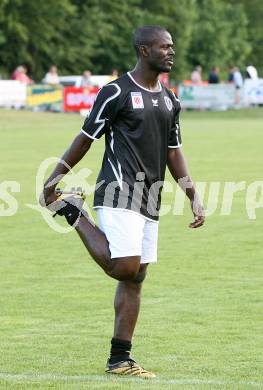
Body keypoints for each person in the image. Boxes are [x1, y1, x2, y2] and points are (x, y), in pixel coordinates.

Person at [41, 25, 205, 378]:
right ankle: (72, 210)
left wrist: (192, 193)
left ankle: (120, 358)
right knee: (125, 267)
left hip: (151, 195)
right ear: (144, 51)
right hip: (118, 188)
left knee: (136, 277)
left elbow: (174, 153)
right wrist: (54, 179)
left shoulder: (170, 99)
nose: (171, 52)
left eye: (172, 47)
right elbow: (85, 139)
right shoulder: (114, 92)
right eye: (164, 47)